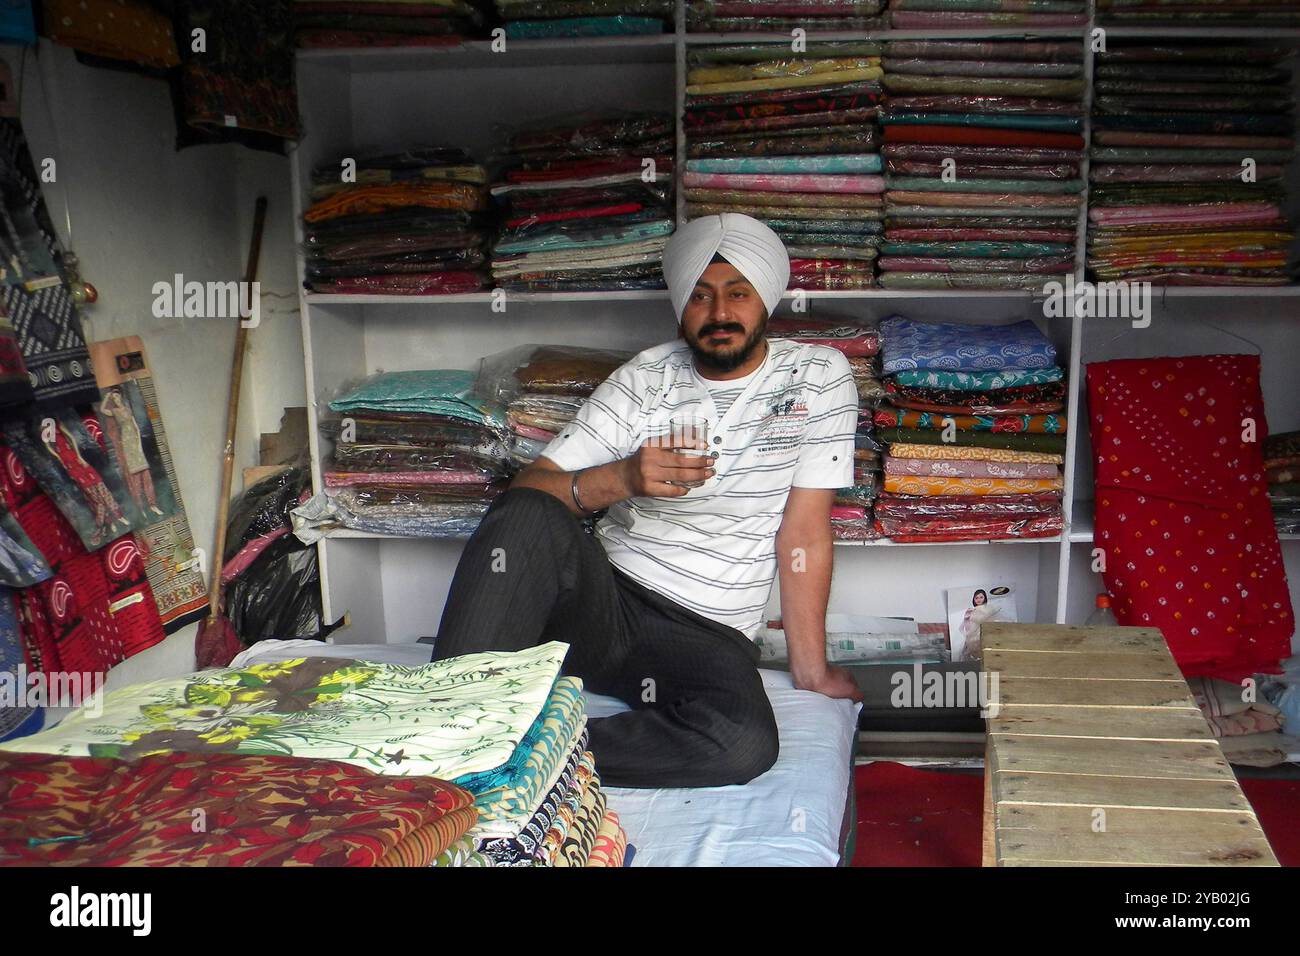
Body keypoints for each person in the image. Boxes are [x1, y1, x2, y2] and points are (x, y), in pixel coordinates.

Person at [432, 213, 863, 788]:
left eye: (739, 293)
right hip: (602, 609)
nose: (720, 314)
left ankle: (516, 750)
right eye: (700, 296)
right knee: (529, 512)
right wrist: (622, 479)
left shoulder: (817, 376)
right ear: (680, 305)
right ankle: (440, 727)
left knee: (740, 745)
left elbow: (804, 531)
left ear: (766, 301)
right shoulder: (645, 378)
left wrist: (811, 670)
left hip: (708, 634)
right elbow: (528, 493)